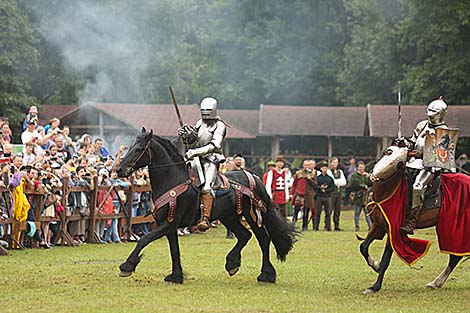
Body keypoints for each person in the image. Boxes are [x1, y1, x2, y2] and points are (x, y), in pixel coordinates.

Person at [401, 97, 451, 235]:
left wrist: (420, 155)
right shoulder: (422, 125)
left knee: (417, 186)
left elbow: (441, 155)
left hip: (431, 166)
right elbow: (413, 141)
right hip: (412, 163)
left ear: (441, 113)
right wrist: (404, 144)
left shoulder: (444, 131)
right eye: (429, 111)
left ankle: (412, 220)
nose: (430, 115)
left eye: (433, 112)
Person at [177, 97, 226, 231]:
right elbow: (193, 142)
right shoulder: (200, 123)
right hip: (196, 159)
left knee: (206, 188)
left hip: (211, 159)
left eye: (207, 111)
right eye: (203, 111)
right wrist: (186, 137)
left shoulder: (219, 125)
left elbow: (215, 145)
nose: (205, 113)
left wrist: (195, 151)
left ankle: (205, 218)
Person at [290, 159, 317, 231]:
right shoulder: (298, 173)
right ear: (303, 165)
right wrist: (291, 193)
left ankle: (304, 226)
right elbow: (294, 184)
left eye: (308, 165)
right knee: (296, 210)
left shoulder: (313, 173)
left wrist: (310, 179)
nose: (307, 166)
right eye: (305, 165)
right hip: (299, 194)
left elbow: (315, 185)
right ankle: (293, 225)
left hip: (308, 195)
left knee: (306, 211)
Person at [349, 161, 372, 231]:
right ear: (358, 168)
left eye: (362, 167)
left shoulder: (365, 175)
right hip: (358, 196)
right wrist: (363, 186)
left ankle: (370, 226)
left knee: (367, 213)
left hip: (365, 197)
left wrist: (368, 177)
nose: (361, 168)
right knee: (357, 213)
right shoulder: (354, 176)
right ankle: (357, 226)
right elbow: (353, 183)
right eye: (360, 167)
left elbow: (371, 183)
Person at [327, 157, 347, 231]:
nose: (335, 164)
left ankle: (336, 225)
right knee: (330, 209)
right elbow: (333, 182)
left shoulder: (340, 171)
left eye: (336, 162)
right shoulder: (329, 172)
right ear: (331, 163)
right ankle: (328, 225)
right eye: (334, 162)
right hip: (332, 192)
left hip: (339, 192)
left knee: (337, 209)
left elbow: (344, 182)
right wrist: (338, 181)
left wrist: (337, 182)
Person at [314, 161, 335, 231]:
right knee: (318, 212)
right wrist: (320, 187)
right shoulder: (318, 178)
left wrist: (327, 190)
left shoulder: (329, 178)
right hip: (319, 196)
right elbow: (315, 186)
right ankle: (316, 226)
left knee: (328, 212)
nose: (324, 169)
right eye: (323, 168)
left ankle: (328, 226)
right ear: (321, 169)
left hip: (327, 196)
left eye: (325, 168)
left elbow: (333, 187)